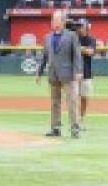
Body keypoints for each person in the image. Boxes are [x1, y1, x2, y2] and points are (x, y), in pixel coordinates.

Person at [34, 10, 83, 138]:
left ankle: (75, 128)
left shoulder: (72, 35)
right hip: (53, 74)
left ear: (63, 21)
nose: (53, 22)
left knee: (72, 101)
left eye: (56, 19)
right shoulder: (47, 37)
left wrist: (78, 71)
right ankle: (55, 128)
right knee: (55, 102)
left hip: (68, 74)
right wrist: (39, 73)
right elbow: (44, 57)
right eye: (52, 19)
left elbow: (77, 56)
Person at [76, 19, 97, 124]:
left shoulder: (91, 40)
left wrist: (79, 48)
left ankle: (81, 119)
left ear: (87, 28)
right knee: (73, 98)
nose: (80, 28)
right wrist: (84, 49)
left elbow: (91, 52)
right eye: (79, 26)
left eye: (82, 26)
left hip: (86, 73)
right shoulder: (74, 38)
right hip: (74, 73)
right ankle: (75, 120)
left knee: (84, 98)